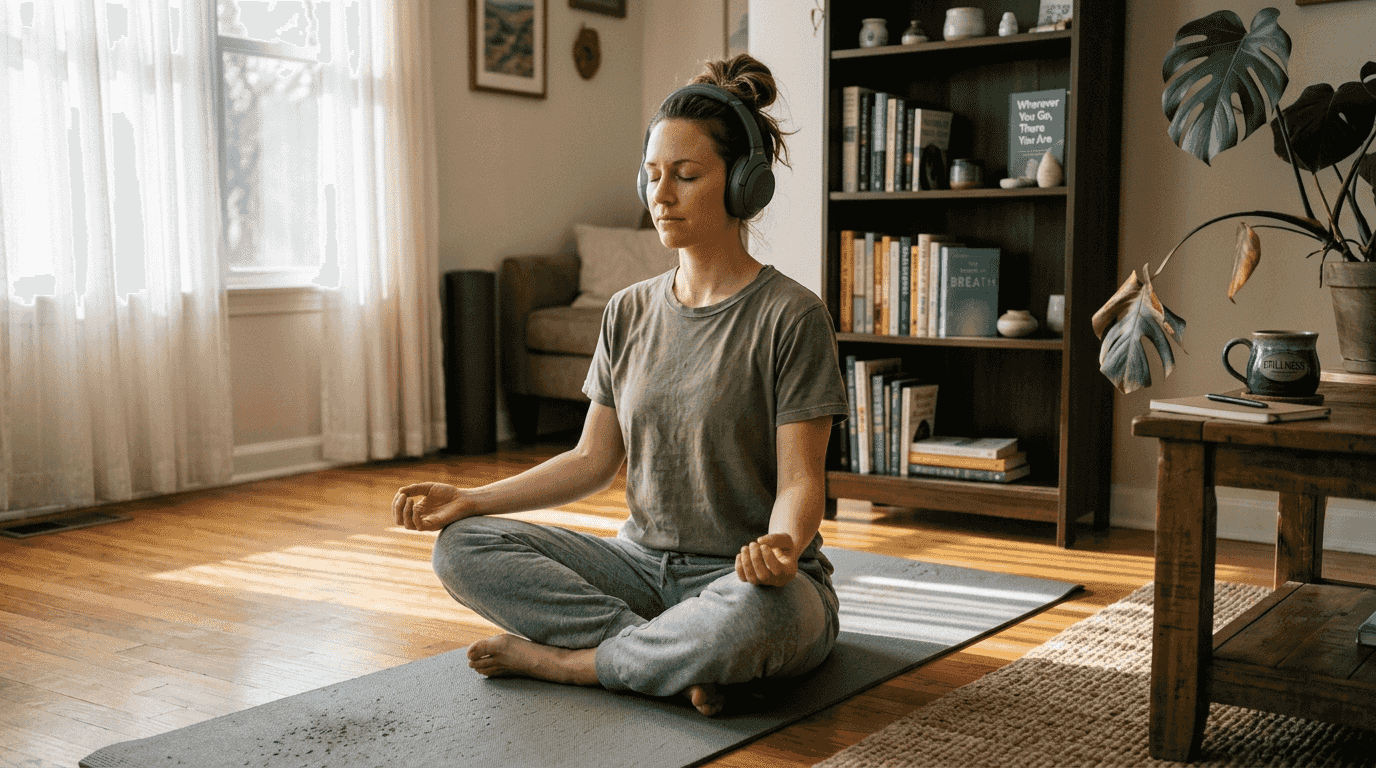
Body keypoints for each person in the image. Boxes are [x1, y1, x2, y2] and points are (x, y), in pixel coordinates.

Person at [391, 54, 848, 717]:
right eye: (654, 176)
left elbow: (802, 479)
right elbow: (590, 460)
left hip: (750, 581)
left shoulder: (791, 314)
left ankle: (574, 664)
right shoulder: (627, 310)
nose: (661, 195)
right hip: (638, 570)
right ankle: (664, 656)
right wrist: (471, 497)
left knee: (763, 620)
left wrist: (782, 547)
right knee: (462, 546)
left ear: (744, 186)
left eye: (687, 177)